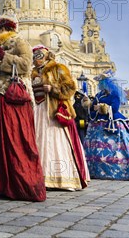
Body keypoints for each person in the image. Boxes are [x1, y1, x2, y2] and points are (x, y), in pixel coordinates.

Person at [0, 12, 46, 202]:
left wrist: (3, 56)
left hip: (6, 95)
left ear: (4, 28)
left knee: (11, 139)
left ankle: (16, 182)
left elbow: (26, 65)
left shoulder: (19, 41)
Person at [30, 45, 89, 191]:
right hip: (35, 111)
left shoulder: (58, 68)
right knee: (37, 140)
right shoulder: (31, 73)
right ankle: (39, 176)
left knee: (54, 141)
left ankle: (61, 177)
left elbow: (69, 88)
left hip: (53, 111)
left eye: (39, 56)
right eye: (34, 56)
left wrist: (53, 89)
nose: (36, 59)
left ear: (46, 55)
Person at [83, 70, 129, 181]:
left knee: (117, 147)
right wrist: (89, 105)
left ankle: (119, 170)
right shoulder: (99, 94)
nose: (100, 84)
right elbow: (92, 109)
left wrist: (101, 107)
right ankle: (95, 170)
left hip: (111, 122)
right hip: (98, 123)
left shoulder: (114, 93)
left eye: (102, 82)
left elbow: (114, 108)